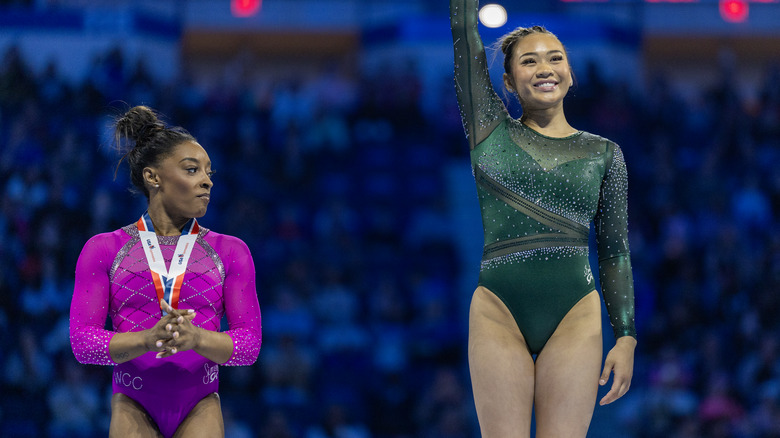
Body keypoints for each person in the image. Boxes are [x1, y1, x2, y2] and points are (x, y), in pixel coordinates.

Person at [449, 1, 637, 436]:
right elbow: (464, 35)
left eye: (555, 58)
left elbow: (615, 250)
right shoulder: (489, 131)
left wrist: (625, 335)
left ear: (570, 73)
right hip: (499, 309)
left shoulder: (605, 153)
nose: (544, 68)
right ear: (509, 82)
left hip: (575, 313)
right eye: (528, 61)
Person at [70, 105, 262, 438]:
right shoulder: (104, 250)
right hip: (133, 402)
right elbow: (83, 343)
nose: (206, 181)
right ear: (153, 177)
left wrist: (197, 338)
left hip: (200, 403)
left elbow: (249, 345)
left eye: (209, 173)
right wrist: (147, 339)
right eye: (192, 170)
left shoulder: (231, 252)